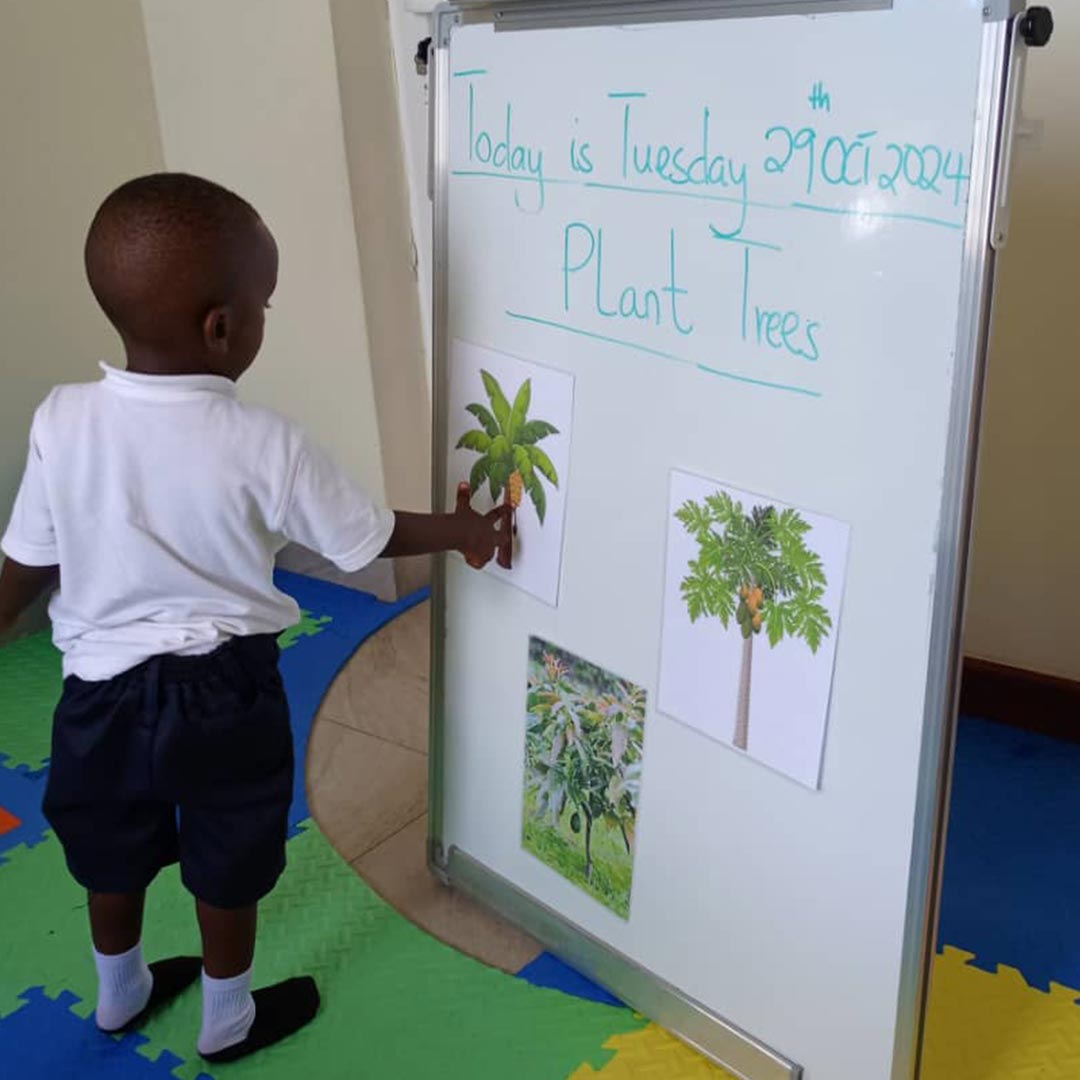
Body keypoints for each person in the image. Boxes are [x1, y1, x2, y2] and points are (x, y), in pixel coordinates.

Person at [0, 173, 510, 1063]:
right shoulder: (267, 443)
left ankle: (119, 996)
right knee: (227, 861)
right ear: (222, 328)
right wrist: (463, 532)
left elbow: (24, 566)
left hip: (98, 699)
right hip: (224, 695)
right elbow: (366, 539)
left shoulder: (62, 420)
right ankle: (226, 1019)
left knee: (108, 854)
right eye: (264, 304)